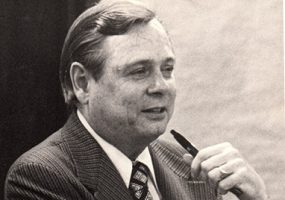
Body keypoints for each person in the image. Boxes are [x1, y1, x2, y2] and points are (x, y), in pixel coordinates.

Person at [5, 0, 267, 199]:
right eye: (139, 71)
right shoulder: (41, 176)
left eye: (167, 70)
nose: (161, 87)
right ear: (82, 83)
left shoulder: (192, 167)